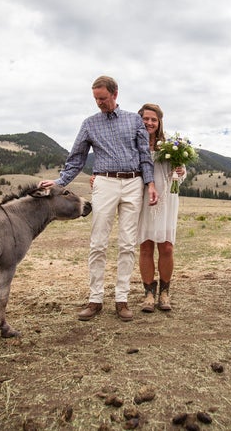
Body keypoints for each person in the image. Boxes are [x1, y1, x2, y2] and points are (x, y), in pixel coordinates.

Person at [39, 75, 158, 322]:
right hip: (104, 182)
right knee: (98, 242)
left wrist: (151, 183)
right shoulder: (89, 124)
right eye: (95, 99)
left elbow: (144, 155)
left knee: (127, 243)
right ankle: (95, 299)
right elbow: (77, 158)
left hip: (134, 183)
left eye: (102, 98)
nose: (99, 103)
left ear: (115, 94)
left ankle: (122, 300)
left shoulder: (134, 120)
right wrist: (60, 182)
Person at [135, 104, 185, 312]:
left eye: (153, 120)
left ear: (159, 122)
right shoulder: (132, 145)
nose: (149, 123)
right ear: (139, 120)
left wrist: (181, 172)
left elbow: (180, 175)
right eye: (146, 119)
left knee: (166, 247)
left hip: (166, 198)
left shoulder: (170, 146)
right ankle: (148, 293)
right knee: (145, 245)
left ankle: (165, 292)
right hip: (141, 198)